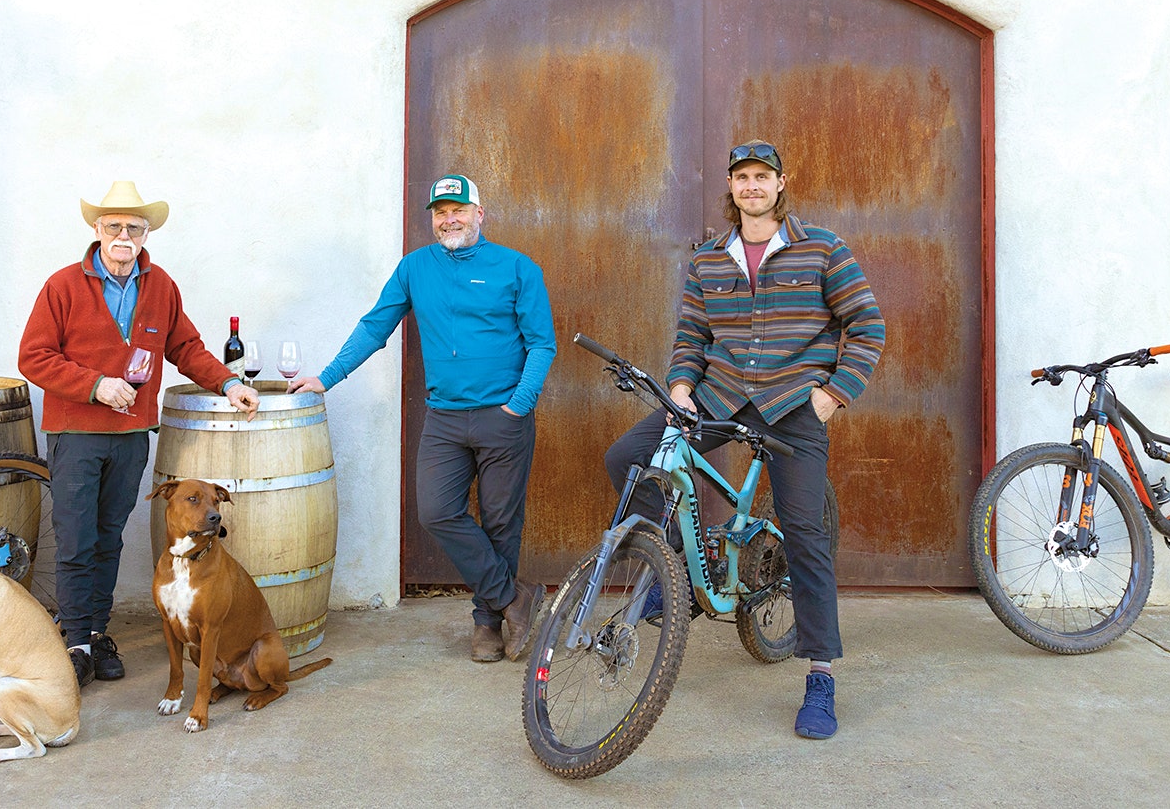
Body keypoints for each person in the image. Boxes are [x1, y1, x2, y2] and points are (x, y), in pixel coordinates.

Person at [603, 140, 883, 739]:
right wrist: (680, 386)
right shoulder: (708, 258)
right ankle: (679, 563)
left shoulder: (822, 249)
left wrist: (833, 395)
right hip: (721, 395)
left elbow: (867, 325)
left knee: (804, 533)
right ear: (730, 188)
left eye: (762, 176)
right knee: (628, 459)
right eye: (741, 177)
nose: (752, 186)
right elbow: (691, 337)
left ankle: (820, 676)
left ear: (782, 183)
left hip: (792, 407)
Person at [288, 174, 557, 663]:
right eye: (439, 212)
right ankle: (515, 598)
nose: (448, 219)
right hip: (446, 419)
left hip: (504, 418)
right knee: (436, 511)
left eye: (458, 209)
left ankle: (487, 624)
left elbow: (542, 343)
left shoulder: (518, 268)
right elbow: (376, 325)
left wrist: (519, 403)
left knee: (501, 523)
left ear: (480, 213)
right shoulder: (415, 268)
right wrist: (327, 378)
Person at [19, 180, 260, 687]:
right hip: (77, 432)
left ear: (146, 234)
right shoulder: (62, 286)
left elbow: (186, 346)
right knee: (75, 540)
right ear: (96, 230)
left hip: (131, 436)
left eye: (133, 227)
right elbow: (33, 357)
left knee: (109, 539)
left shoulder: (160, 286)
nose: (123, 235)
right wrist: (95, 385)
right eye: (113, 226)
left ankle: (98, 632)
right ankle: (76, 641)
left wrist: (228, 381)